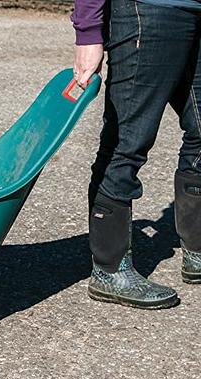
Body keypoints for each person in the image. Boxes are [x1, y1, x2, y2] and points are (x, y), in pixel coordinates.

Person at [71, 0, 201, 309]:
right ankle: (110, 270)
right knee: (127, 140)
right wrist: (88, 31)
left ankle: (197, 251)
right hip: (149, 9)